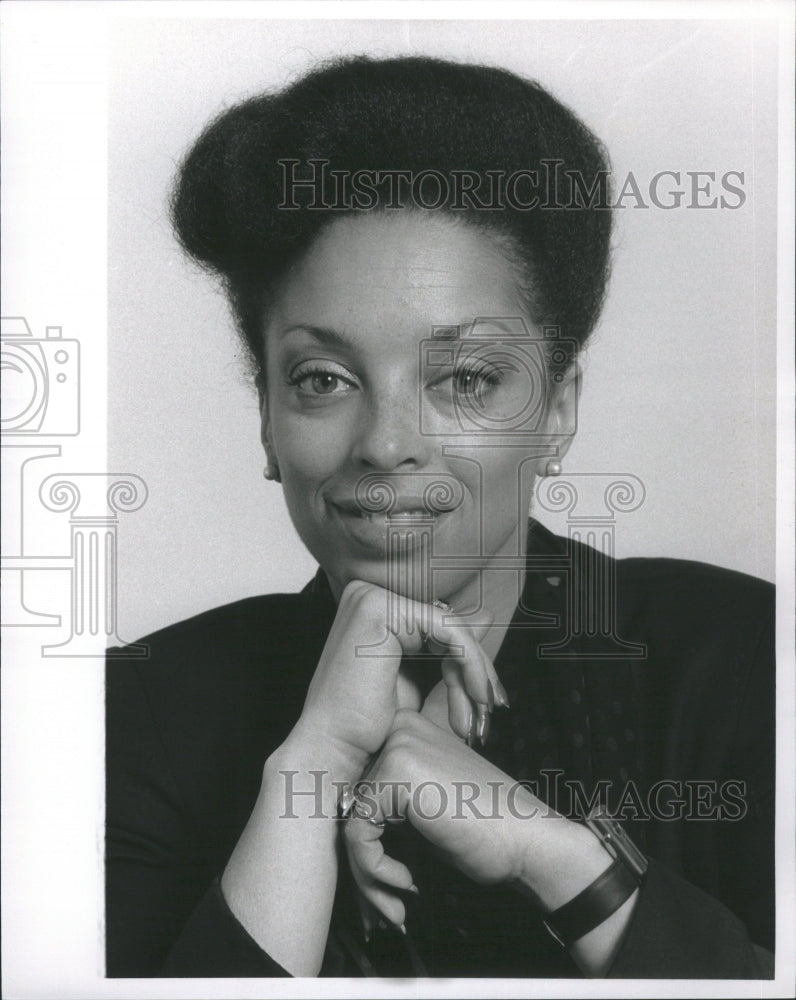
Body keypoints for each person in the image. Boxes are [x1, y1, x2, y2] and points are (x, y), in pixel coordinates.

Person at [105, 55, 774, 980]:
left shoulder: (743, 664)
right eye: (323, 380)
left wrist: (559, 859)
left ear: (559, 410)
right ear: (266, 419)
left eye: (465, 379)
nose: (387, 444)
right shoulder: (137, 717)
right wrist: (316, 764)